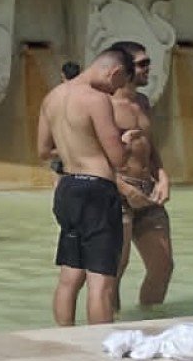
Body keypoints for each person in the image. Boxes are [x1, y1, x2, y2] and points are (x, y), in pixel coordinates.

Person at [34, 47, 135, 326]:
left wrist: (77, 146)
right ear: (114, 72)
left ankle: (65, 339)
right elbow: (118, 160)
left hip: (67, 188)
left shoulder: (51, 97)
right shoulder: (96, 99)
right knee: (100, 281)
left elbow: (43, 150)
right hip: (97, 189)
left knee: (69, 276)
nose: (116, 91)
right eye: (119, 83)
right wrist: (125, 142)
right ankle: (101, 348)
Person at [112, 42, 173, 309]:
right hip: (116, 194)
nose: (148, 68)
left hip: (148, 190)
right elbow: (90, 157)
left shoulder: (143, 102)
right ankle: (108, 327)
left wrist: (163, 176)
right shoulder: (104, 104)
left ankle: (149, 321)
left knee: (163, 266)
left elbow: (150, 145)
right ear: (123, 68)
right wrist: (125, 189)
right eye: (142, 64)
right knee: (114, 270)